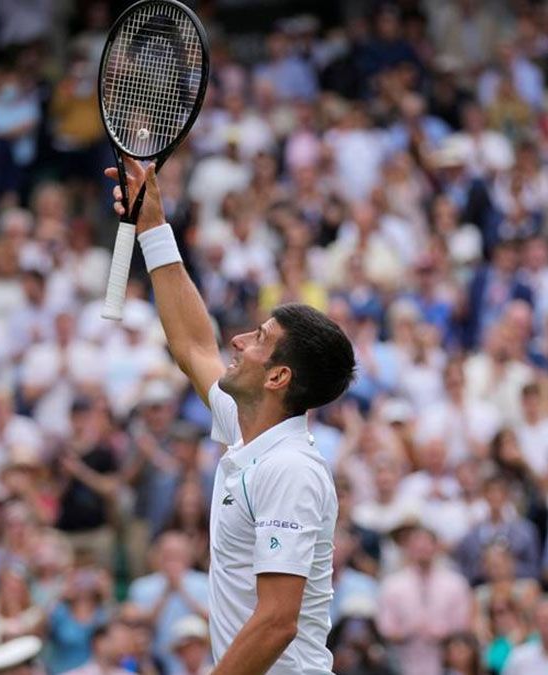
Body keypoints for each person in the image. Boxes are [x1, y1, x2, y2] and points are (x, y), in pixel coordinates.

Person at [103, 160, 356, 674]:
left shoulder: (290, 469)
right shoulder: (247, 431)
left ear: (277, 378)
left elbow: (277, 622)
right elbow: (194, 345)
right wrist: (154, 227)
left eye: (259, 339)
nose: (238, 341)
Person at [377, 526, 473, 674]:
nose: (422, 550)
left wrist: (443, 633)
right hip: (403, 660)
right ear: (408, 549)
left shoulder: (456, 584)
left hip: (445, 661)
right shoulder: (392, 585)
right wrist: (407, 631)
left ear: (436, 547)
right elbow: (385, 628)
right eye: (417, 546)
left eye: (426, 545)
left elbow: (463, 626)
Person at [128, 532, 210, 672]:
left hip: (198, 664)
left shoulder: (205, 582)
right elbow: (137, 627)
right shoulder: (141, 587)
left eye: (177, 555)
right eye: (167, 555)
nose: (172, 560)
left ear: (188, 556)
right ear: (157, 556)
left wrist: (183, 591)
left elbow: (212, 619)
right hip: (156, 663)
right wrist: (166, 592)